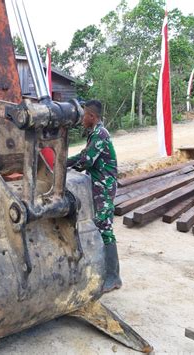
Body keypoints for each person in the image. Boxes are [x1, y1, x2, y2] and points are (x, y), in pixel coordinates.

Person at [66, 100, 122, 293]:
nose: (81, 119)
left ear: (91, 116)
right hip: (97, 185)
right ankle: (104, 272)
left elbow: (86, 160)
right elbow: (83, 155)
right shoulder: (94, 133)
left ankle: (113, 277)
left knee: (104, 227)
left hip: (104, 187)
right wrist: (63, 163)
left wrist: (65, 164)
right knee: (98, 226)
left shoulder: (100, 134)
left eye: (83, 116)